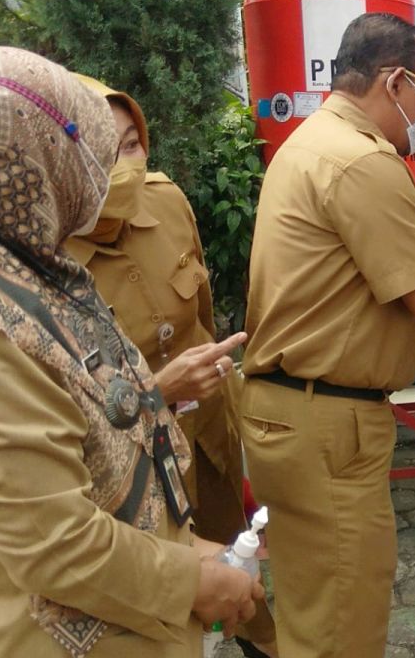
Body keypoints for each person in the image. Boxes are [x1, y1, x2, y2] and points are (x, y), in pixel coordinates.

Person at [0, 46, 262, 658]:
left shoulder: (18, 260)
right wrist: (190, 580)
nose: (107, 179)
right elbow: (55, 544)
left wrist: (183, 543)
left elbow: (90, 426)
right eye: (93, 155)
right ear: (40, 163)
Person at [239, 12, 415, 658]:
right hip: (328, 423)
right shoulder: (362, 159)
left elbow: (382, 280)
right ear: (394, 81)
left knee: (316, 603)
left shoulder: (312, 142)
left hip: (298, 412)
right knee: (343, 622)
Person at [64, 77, 277, 658]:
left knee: (239, 566)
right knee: (170, 601)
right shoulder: (49, 259)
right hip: (128, 468)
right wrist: (156, 389)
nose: (126, 165)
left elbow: (200, 314)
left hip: (207, 433)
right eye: (106, 153)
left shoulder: (165, 199)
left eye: (132, 144)